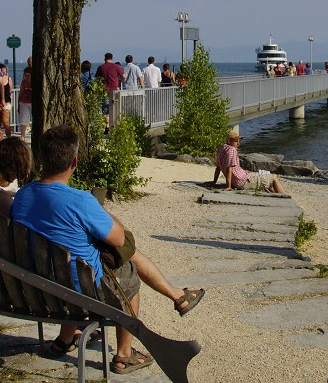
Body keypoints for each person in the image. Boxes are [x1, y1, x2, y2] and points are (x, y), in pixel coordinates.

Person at [12, 126, 203, 370]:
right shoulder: (80, 200)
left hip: (36, 290)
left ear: (40, 158)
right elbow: (119, 238)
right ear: (75, 161)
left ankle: (65, 338)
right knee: (128, 273)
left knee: (67, 266)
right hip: (82, 293)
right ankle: (124, 354)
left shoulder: (23, 195)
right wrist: (100, 211)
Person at [212, 131, 285, 194]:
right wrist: (228, 186)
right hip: (243, 181)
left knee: (266, 176)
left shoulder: (221, 149)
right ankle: (284, 197)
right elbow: (229, 169)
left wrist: (214, 181)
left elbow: (218, 168)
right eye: (236, 141)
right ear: (229, 141)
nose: (238, 143)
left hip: (241, 177)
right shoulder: (232, 150)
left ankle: (275, 195)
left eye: (239, 141)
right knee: (274, 177)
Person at [0, 63, 12, 140]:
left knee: (5, 122)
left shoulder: (8, 79)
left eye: (4, 72)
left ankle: (9, 137)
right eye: (1, 72)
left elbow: (10, 90)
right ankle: (0, 138)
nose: (3, 73)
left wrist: (7, 101)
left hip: (6, 102)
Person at [17, 67, 33, 141]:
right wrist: (18, 104)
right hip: (24, 102)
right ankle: (22, 136)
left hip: (32, 102)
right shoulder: (23, 82)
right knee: (23, 119)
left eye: (28, 75)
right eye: (25, 75)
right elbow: (20, 93)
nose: (26, 77)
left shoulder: (34, 82)